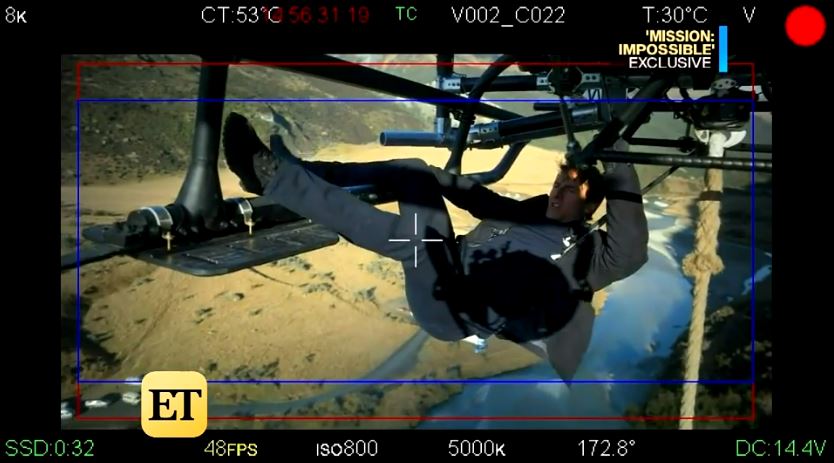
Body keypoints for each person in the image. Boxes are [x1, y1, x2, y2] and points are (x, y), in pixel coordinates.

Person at [222, 112, 649, 380]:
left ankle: (275, 178)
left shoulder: (590, 257)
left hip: (453, 312)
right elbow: (481, 201)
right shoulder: (532, 212)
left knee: (417, 241)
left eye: (570, 191)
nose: (557, 193)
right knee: (411, 170)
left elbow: (631, 248)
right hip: (450, 264)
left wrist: (616, 155)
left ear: (590, 205)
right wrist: (432, 177)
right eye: (558, 183)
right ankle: (298, 171)